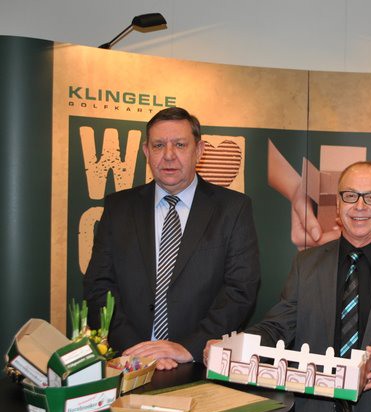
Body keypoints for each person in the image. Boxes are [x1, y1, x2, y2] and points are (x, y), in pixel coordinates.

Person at [206, 161, 371, 412]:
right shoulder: (305, 265)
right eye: (350, 195)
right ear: (338, 204)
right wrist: (233, 346)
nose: (360, 206)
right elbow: (277, 328)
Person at [84, 107, 260, 371]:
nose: (168, 155)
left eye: (179, 144)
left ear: (199, 151)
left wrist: (188, 348)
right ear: (146, 152)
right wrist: (138, 351)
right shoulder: (119, 208)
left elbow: (240, 289)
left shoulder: (233, 209)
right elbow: (98, 286)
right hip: (128, 362)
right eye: (158, 145)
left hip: (198, 365)